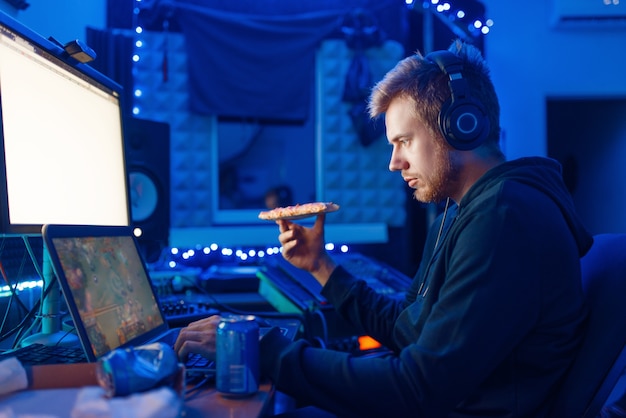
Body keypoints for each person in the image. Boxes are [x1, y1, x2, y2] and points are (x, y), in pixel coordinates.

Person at [174, 39, 593, 417]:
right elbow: (407, 329)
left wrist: (259, 349)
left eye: (404, 141)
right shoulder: (461, 210)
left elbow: (417, 388)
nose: (394, 162)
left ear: (461, 126)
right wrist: (320, 266)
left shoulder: (504, 219)